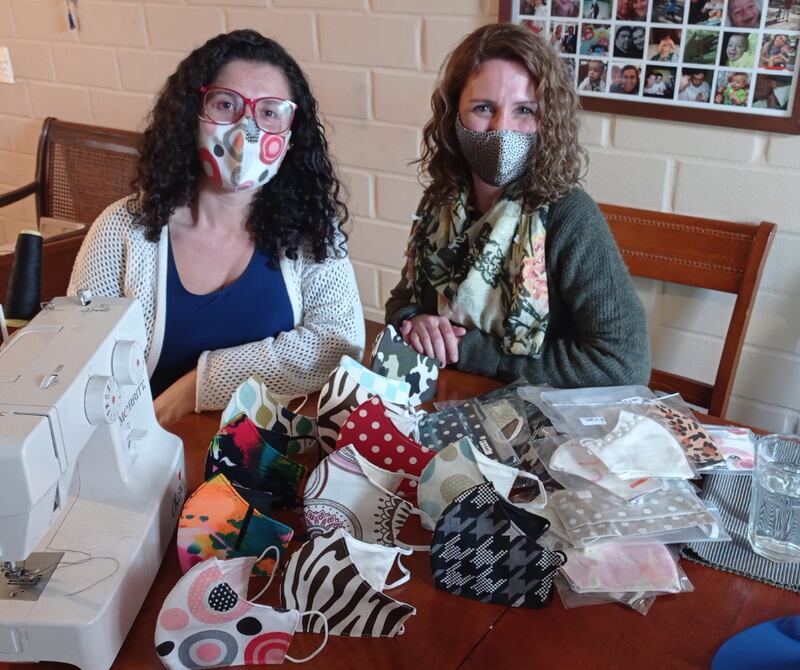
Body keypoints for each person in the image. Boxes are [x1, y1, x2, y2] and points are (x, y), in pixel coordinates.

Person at [68, 30, 364, 425]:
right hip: (146, 455)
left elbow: (337, 343)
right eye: (226, 104)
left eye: (270, 111)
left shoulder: (310, 229)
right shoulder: (122, 230)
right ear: (191, 114)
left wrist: (197, 386)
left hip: (266, 460)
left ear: (292, 133)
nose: (248, 129)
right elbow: (81, 362)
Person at [384, 24, 650, 388]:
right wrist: (415, 320)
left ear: (547, 119)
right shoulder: (441, 202)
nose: (502, 128)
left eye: (524, 110)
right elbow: (402, 301)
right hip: (448, 400)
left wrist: (473, 352)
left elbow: (623, 365)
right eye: (483, 108)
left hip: (538, 425)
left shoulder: (568, 216)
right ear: (454, 115)